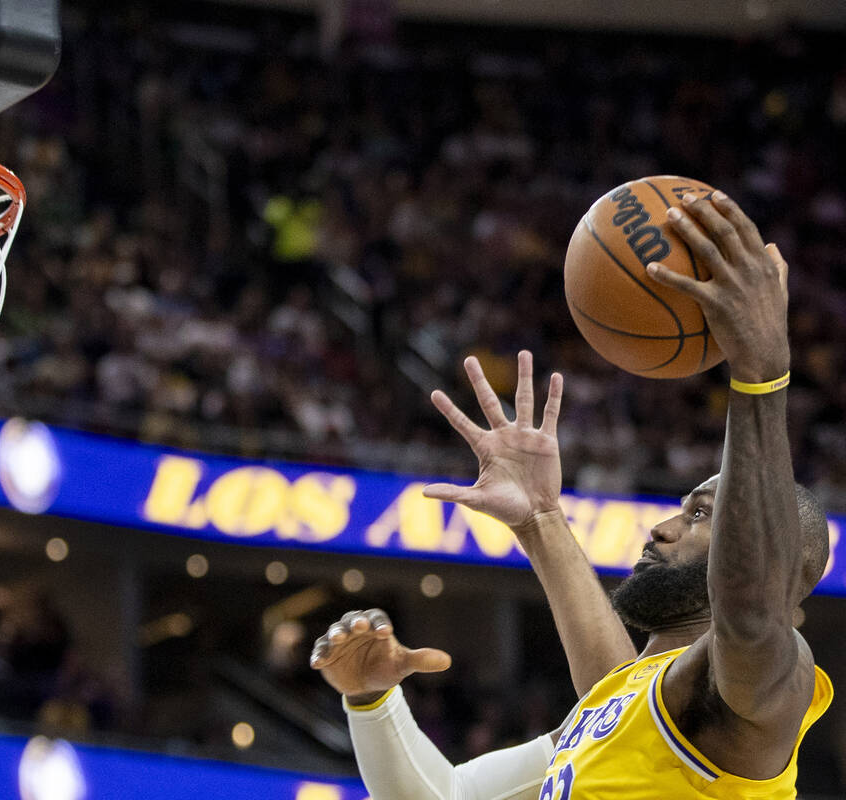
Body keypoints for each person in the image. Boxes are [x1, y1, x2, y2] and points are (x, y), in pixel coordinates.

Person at [310, 190, 833, 799]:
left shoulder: (767, 689)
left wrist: (760, 373)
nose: (662, 528)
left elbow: (748, 611)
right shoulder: (608, 719)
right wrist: (373, 703)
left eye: (700, 514)